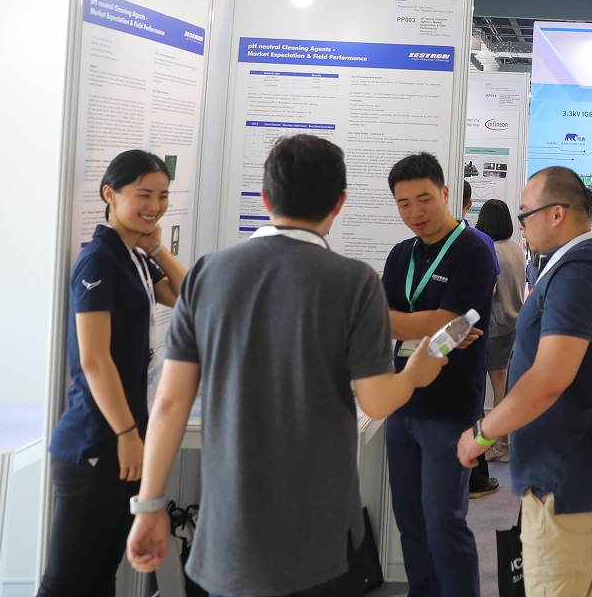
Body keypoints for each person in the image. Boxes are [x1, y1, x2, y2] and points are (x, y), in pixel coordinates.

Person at [125, 134, 446, 595]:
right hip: (321, 530)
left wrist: (149, 505)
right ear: (339, 203)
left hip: (230, 526)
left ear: (265, 198)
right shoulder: (354, 282)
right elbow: (377, 401)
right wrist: (415, 372)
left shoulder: (208, 274)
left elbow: (171, 402)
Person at [457, 166, 592, 597]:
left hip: (562, 473)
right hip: (568, 467)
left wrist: (483, 433)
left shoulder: (577, 274)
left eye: (525, 214)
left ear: (556, 214)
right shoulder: (582, 263)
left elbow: (550, 377)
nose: (521, 226)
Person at [40, 150, 187, 597]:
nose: (155, 205)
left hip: (126, 441)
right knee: (66, 584)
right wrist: (126, 434)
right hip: (95, 443)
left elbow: (190, 296)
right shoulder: (99, 259)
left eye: (163, 195)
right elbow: (94, 360)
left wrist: (156, 246)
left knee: (102, 578)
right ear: (110, 194)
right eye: (143, 194)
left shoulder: (133, 255)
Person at [383, 153, 498, 596]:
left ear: (446, 193)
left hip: (450, 409)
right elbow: (380, 322)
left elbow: (453, 321)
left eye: (425, 199)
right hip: (401, 399)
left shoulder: (474, 250)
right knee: (410, 521)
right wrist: (435, 325)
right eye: (404, 203)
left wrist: (424, 323)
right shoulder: (401, 254)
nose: (415, 212)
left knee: (443, 522)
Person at [477, 198, 526, 463]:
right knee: (502, 385)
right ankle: (502, 442)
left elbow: (490, 290)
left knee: (497, 387)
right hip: (513, 323)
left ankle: (500, 444)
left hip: (494, 326)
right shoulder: (516, 247)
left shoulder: (489, 250)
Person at [462, 179, 500, 496]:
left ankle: (472, 479)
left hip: (464, 338)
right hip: (473, 337)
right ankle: (475, 480)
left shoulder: (477, 241)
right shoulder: (482, 241)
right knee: (472, 406)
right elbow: (492, 288)